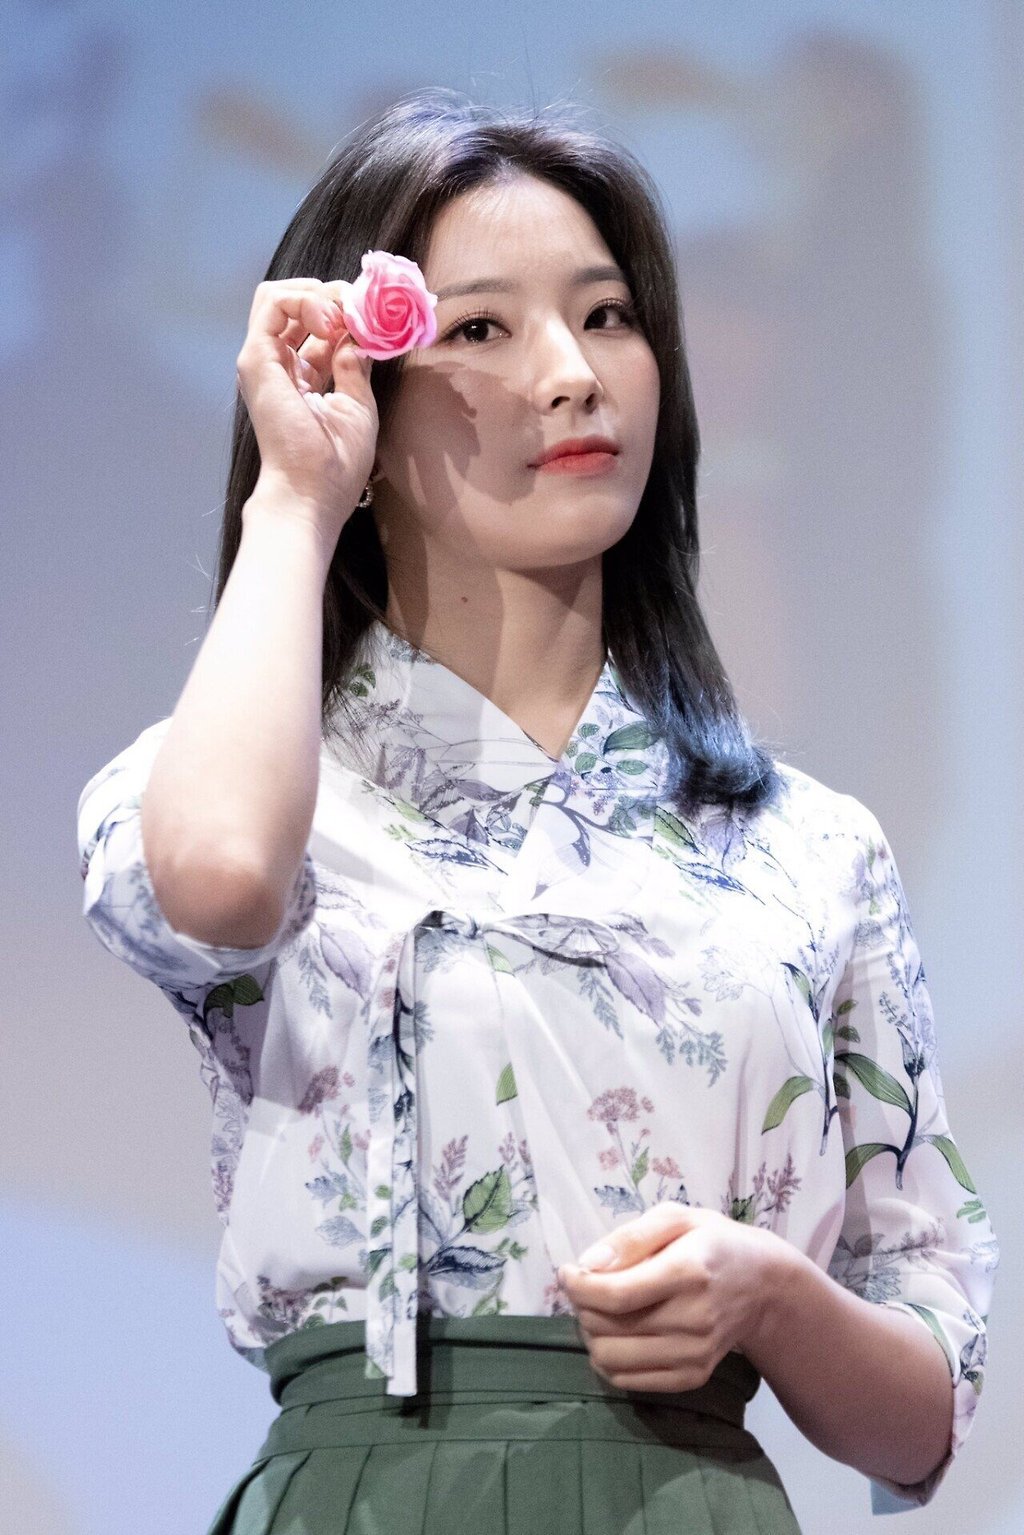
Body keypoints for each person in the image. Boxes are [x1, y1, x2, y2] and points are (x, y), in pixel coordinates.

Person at [77, 88, 997, 1534]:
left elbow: (925, 1410)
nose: (572, 375)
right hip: (373, 1495)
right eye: (482, 330)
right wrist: (295, 499)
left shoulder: (811, 850)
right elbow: (219, 882)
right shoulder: (252, 781)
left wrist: (772, 1297)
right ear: (365, 393)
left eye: (608, 316)